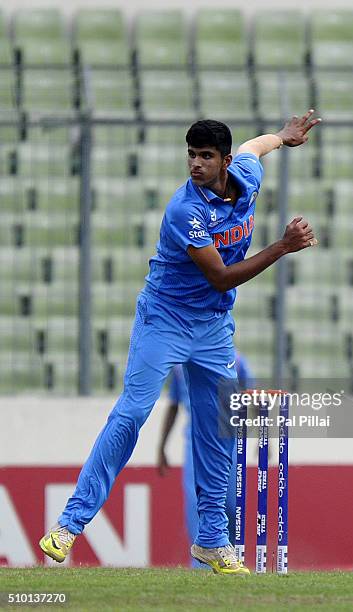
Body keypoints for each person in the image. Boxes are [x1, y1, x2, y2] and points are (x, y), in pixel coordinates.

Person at [39, 110, 321, 575]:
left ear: (224, 161)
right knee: (131, 413)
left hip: (212, 327)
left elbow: (255, 147)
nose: (195, 164)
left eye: (206, 156)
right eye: (191, 155)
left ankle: (212, 541)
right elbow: (221, 276)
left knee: (217, 432)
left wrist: (284, 136)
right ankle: (70, 525)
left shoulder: (245, 172)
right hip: (164, 319)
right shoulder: (184, 209)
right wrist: (282, 247)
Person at [157, 352, 253, 568]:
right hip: (195, 439)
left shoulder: (237, 361)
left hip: (229, 437)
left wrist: (263, 438)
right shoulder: (181, 365)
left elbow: (250, 398)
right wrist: (162, 446)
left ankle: (231, 556)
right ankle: (201, 564)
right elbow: (174, 404)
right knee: (197, 504)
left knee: (232, 503)